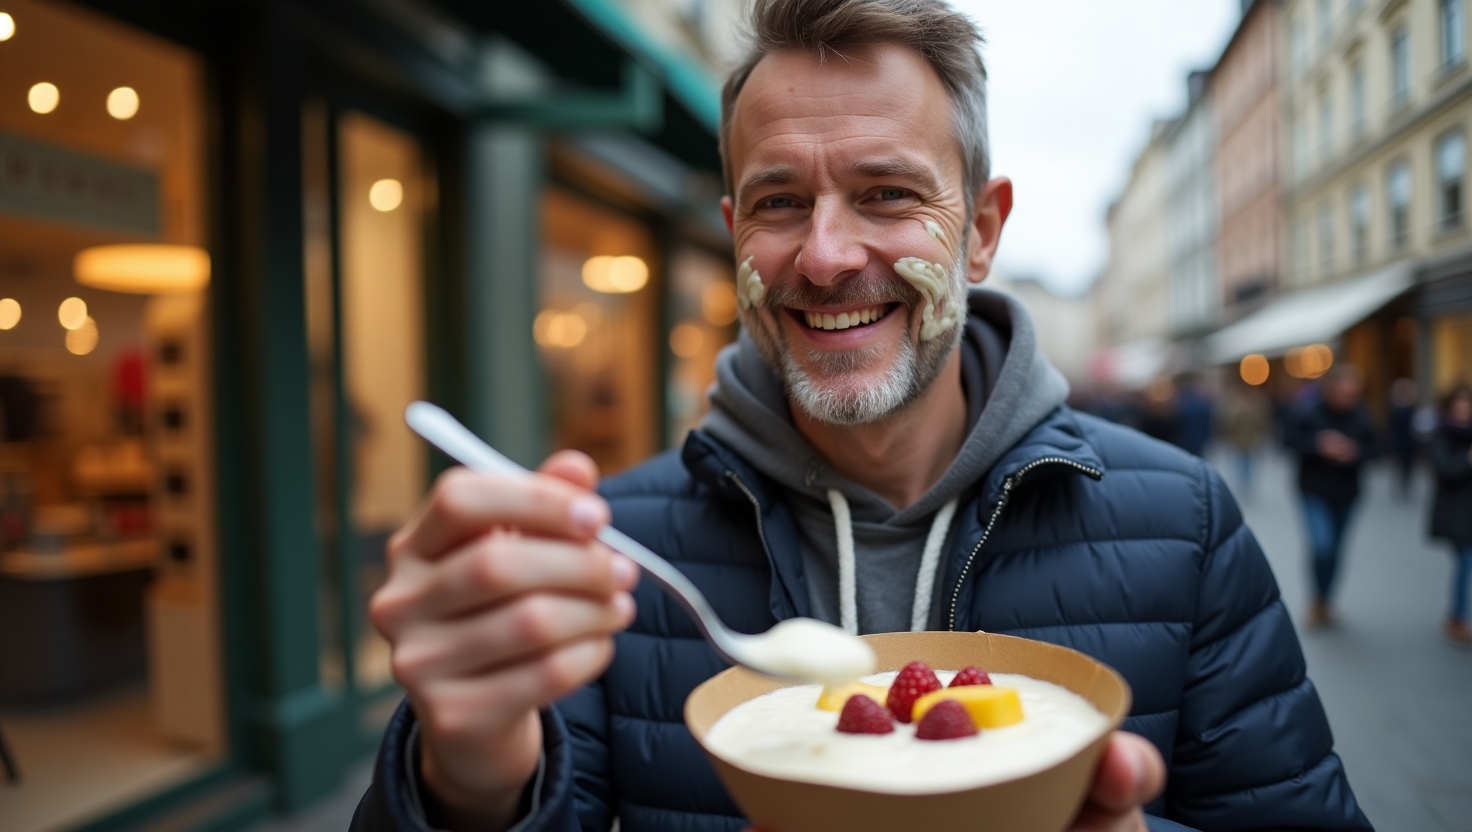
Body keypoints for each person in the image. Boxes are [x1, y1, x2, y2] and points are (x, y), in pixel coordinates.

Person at [352, 2, 1370, 831]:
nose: (826, 255)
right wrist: (466, 776)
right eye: (780, 202)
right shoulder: (619, 553)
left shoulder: (1182, 521)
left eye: (885, 194)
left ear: (978, 231)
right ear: (732, 236)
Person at [1284, 365, 1378, 628]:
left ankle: (1325, 600)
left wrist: (1355, 451)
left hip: (1347, 493)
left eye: (1352, 394)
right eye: (1342, 393)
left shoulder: (1362, 416)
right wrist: (1318, 444)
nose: (1346, 399)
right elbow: (1288, 441)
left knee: (1336, 549)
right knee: (1322, 545)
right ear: (1330, 390)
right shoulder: (1308, 412)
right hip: (1313, 490)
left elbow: (1378, 449)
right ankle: (1316, 599)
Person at [1428, 385, 1472, 647]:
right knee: (1465, 561)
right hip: (1455, 514)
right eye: (1459, 407)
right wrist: (1467, 461)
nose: (1464, 412)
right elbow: (1444, 471)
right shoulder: (1441, 435)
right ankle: (1457, 616)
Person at [1219, 386, 1271, 498]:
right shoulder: (1253, 408)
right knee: (1244, 462)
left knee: (1244, 462)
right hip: (1244, 440)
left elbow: (1230, 423)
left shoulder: (1238, 408)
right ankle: (1245, 484)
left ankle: (1244, 483)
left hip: (1242, 440)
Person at [1388, 377, 1419, 500]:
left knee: (1409, 467)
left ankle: (1406, 486)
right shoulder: (1396, 408)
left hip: (1410, 442)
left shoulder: (1412, 407)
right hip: (1399, 442)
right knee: (1400, 467)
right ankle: (1401, 487)